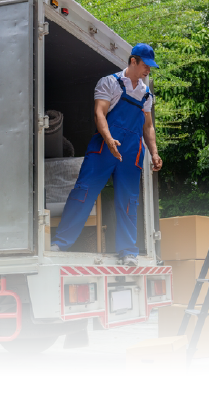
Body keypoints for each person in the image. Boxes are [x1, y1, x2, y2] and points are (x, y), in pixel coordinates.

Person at [51, 43, 163, 265]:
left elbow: (148, 127)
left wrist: (154, 153)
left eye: (150, 67)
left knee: (129, 201)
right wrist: (109, 139)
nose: (148, 70)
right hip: (104, 147)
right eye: (145, 65)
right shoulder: (110, 82)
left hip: (131, 153)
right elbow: (99, 113)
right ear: (133, 61)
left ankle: (128, 252)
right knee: (83, 193)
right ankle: (60, 243)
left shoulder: (146, 93)